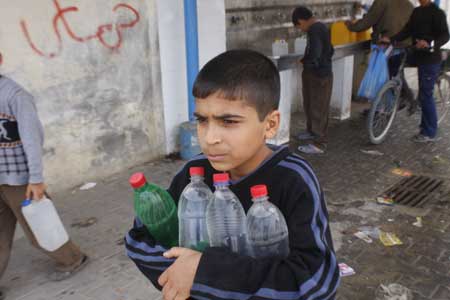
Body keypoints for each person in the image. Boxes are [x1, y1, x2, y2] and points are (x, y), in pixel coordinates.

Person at [125, 49, 340, 300]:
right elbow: (138, 241)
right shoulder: (194, 175)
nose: (209, 138)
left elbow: (318, 283)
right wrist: (183, 271)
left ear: (270, 124)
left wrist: (203, 272)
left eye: (229, 122)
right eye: (202, 120)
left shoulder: (294, 179)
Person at [0, 75, 88, 300]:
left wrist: (36, 179)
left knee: (39, 229)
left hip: (19, 180)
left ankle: (73, 258)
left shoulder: (16, 96)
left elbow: (32, 138)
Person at [382, 0, 450, 142]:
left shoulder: (437, 13)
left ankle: (429, 132)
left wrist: (430, 43)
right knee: (394, 61)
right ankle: (404, 95)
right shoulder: (417, 12)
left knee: (425, 94)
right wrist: (391, 39)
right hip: (416, 53)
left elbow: (445, 35)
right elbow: (407, 30)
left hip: (431, 58)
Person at [346, 0, 415, 114]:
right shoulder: (408, 3)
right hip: (403, 44)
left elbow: (368, 20)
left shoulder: (381, 1)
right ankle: (397, 102)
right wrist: (364, 7)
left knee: (382, 76)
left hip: (385, 42)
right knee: (393, 74)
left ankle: (384, 107)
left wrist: (351, 26)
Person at [292, 6, 334, 154]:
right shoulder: (321, 27)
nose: (300, 29)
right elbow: (330, 49)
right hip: (317, 73)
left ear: (301, 21)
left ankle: (319, 143)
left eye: (299, 26)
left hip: (319, 76)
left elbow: (315, 52)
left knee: (318, 108)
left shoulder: (315, 29)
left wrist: (306, 62)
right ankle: (311, 131)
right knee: (310, 104)